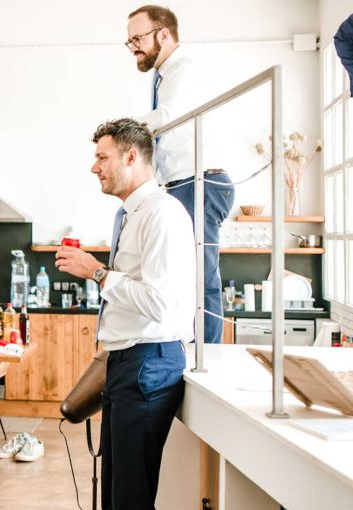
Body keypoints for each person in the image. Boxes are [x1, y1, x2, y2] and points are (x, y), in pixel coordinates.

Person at [47, 118, 195, 510]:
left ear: (132, 158)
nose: (95, 166)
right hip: (128, 367)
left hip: (148, 369)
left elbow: (159, 305)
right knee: (115, 504)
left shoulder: (161, 216)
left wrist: (97, 273)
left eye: (103, 156)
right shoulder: (134, 213)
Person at [126, 4, 234, 343]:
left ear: (163, 34)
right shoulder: (165, 75)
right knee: (180, 275)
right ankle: (188, 348)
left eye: (138, 39)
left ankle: (209, 354)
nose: (133, 48)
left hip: (198, 181)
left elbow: (170, 115)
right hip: (180, 183)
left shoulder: (185, 67)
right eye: (128, 42)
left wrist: (123, 131)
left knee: (201, 275)